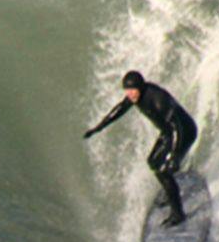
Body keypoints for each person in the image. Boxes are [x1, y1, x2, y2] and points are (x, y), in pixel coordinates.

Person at [83, 70, 199, 226]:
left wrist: (173, 155)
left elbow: (177, 126)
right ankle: (169, 191)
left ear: (141, 87)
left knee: (164, 169)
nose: (130, 94)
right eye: (127, 91)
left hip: (185, 132)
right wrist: (98, 128)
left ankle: (178, 214)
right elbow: (118, 111)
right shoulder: (134, 97)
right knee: (153, 161)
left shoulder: (158, 99)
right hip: (169, 132)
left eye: (133, 90)